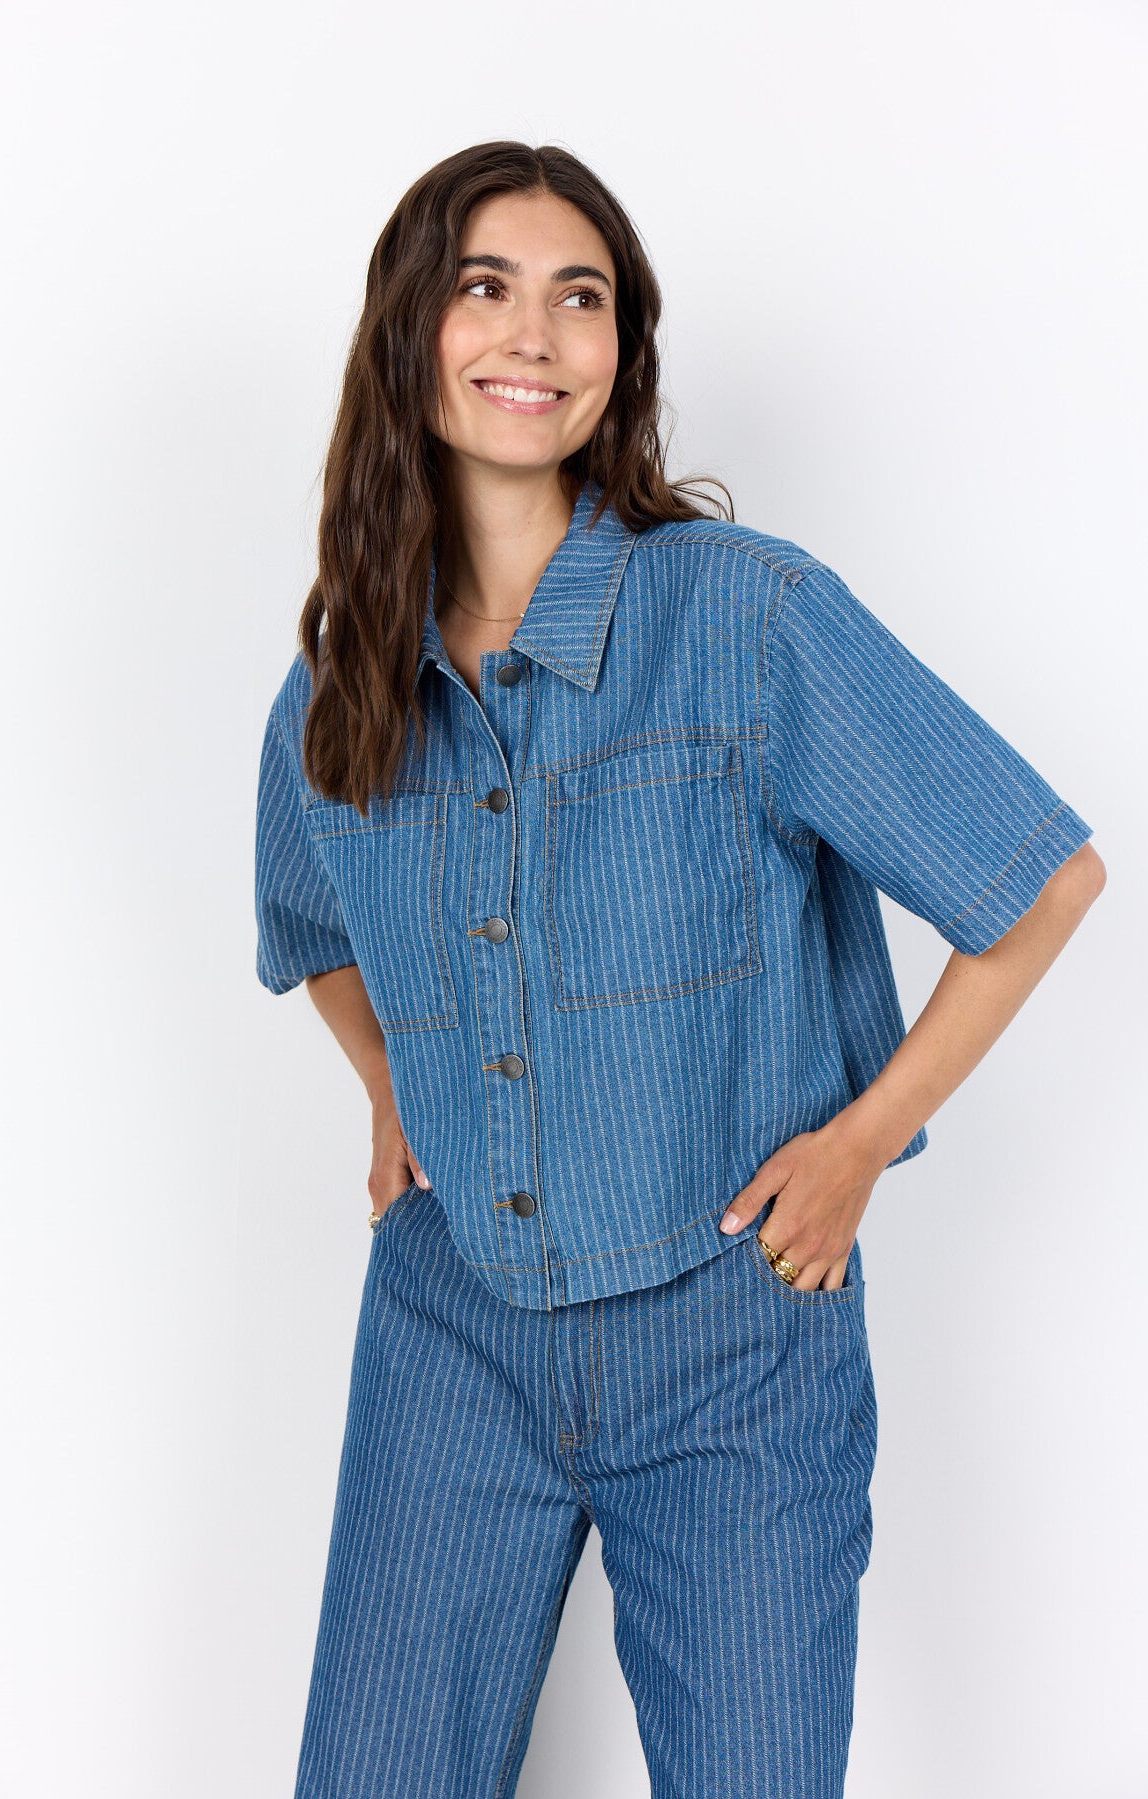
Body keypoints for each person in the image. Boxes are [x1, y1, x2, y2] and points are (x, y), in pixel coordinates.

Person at [253, 140, 1105, 1799]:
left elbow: (1037, 881)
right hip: (450, 1329)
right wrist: (391, 1080)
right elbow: (316, 929)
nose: (535, 334)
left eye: (582, 298)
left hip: (735, 1337)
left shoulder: (747, 619)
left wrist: (860, 1147)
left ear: (621, 353)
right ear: (410, 331)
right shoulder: (341, 675)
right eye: (487, 287)